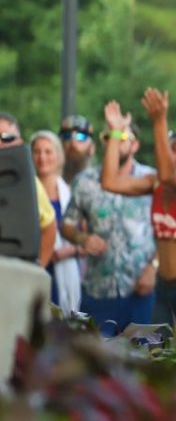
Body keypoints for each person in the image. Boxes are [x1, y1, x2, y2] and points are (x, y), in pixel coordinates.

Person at [99, 90, 176, 348]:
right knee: (157, 363)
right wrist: (117, 134)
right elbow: (109, 181)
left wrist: (159, 121)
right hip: (164, 289)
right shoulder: (156, 182)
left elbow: (169, 173)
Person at [61, 115, 156, 334]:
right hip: (98, 290)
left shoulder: (152, 179)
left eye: (122, 135)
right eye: (108, 135)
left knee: (144, 362)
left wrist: (154, 266)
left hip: (141, 290)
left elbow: (167, 231)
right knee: (96, 361)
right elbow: (67, 225)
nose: (114, 140)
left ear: (136, 144)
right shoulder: (84, 180)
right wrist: (82, 238)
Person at [30, 130, 82, 313]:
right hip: (33, 269)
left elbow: (90, 240)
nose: (42, 157)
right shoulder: (24, 193)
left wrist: (70, 251)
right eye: (37, 151)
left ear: (59, 156)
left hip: (64, 273)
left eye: (48, 151)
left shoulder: (72, 194)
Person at [0, 114, 57, 267]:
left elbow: (49, 227)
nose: (0, 143)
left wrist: (37, 270)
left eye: (6, 138)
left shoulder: (30, 183)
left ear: (19, 142)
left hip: (14, 272)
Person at [59, 114, 95, 186]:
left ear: (92, 148)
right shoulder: (51, 182)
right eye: (67, 136)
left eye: (81, 137)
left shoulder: (100, 183)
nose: (73, 142)